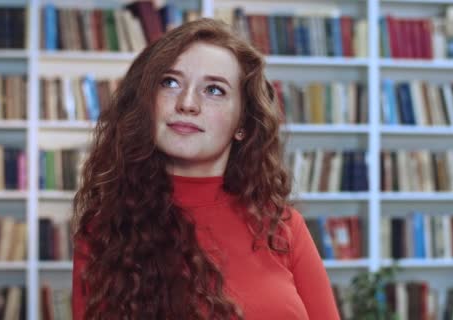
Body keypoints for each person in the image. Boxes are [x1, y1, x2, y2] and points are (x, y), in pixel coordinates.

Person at [71, 18, 340, 320]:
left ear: (242, 124)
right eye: (170, 82)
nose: (187, 103)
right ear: (147, 103)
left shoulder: (285, 228)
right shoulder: (106, 231)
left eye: (214, 90)